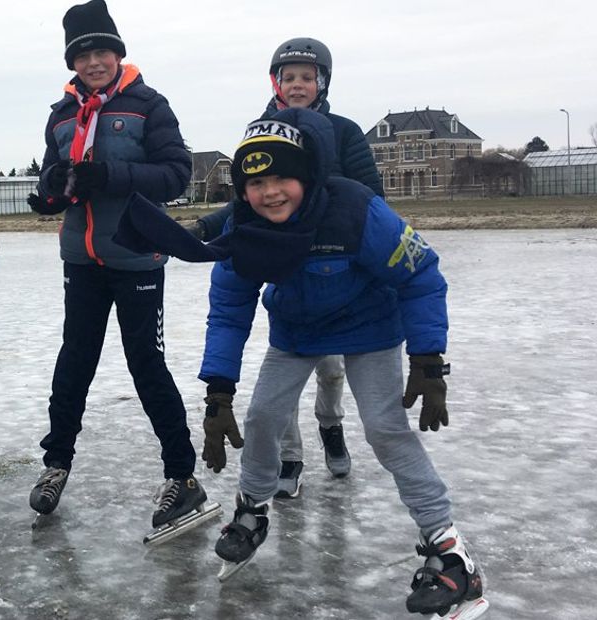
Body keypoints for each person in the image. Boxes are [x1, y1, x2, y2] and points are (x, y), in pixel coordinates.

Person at [177, 109, 484, 617]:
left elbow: (421, 275)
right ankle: (251, 513)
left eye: (282, 178)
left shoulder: (354, 210)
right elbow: (229, 311)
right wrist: (218, 389)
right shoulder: (245, 228)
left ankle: (451, 553)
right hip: (297, 334)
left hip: (370, 329)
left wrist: (428, 358)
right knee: (262, 418)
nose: (270, 192)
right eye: (255, 182)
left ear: (309, 177)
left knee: (386, 429)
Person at [25, 0, 217, 539]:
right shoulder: (62, 115)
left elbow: (175, 174)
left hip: (136, 258)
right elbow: (50, 177)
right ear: (73, 62)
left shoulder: (148, 105)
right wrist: (49, 193)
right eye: (83, 54)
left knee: (146, 367)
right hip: (81, 259)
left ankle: (183, 475)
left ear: (118, 53)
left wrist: (107, 174)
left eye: (102, 50)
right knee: (74, 364)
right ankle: (56, 463)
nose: (94, 62)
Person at [196, 38, 387, 498]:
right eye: (289, 77)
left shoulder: (344, 132)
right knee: (282, 383)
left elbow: (372, 199)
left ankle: (331, 425)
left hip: (336, 268)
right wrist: (204, 228)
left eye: (307, 77)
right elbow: (248, 200)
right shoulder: (260, 131)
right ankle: (291, 458)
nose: (298, 85)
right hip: (286, 271)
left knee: (331, 370)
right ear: (276, 83)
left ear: (322, 82)